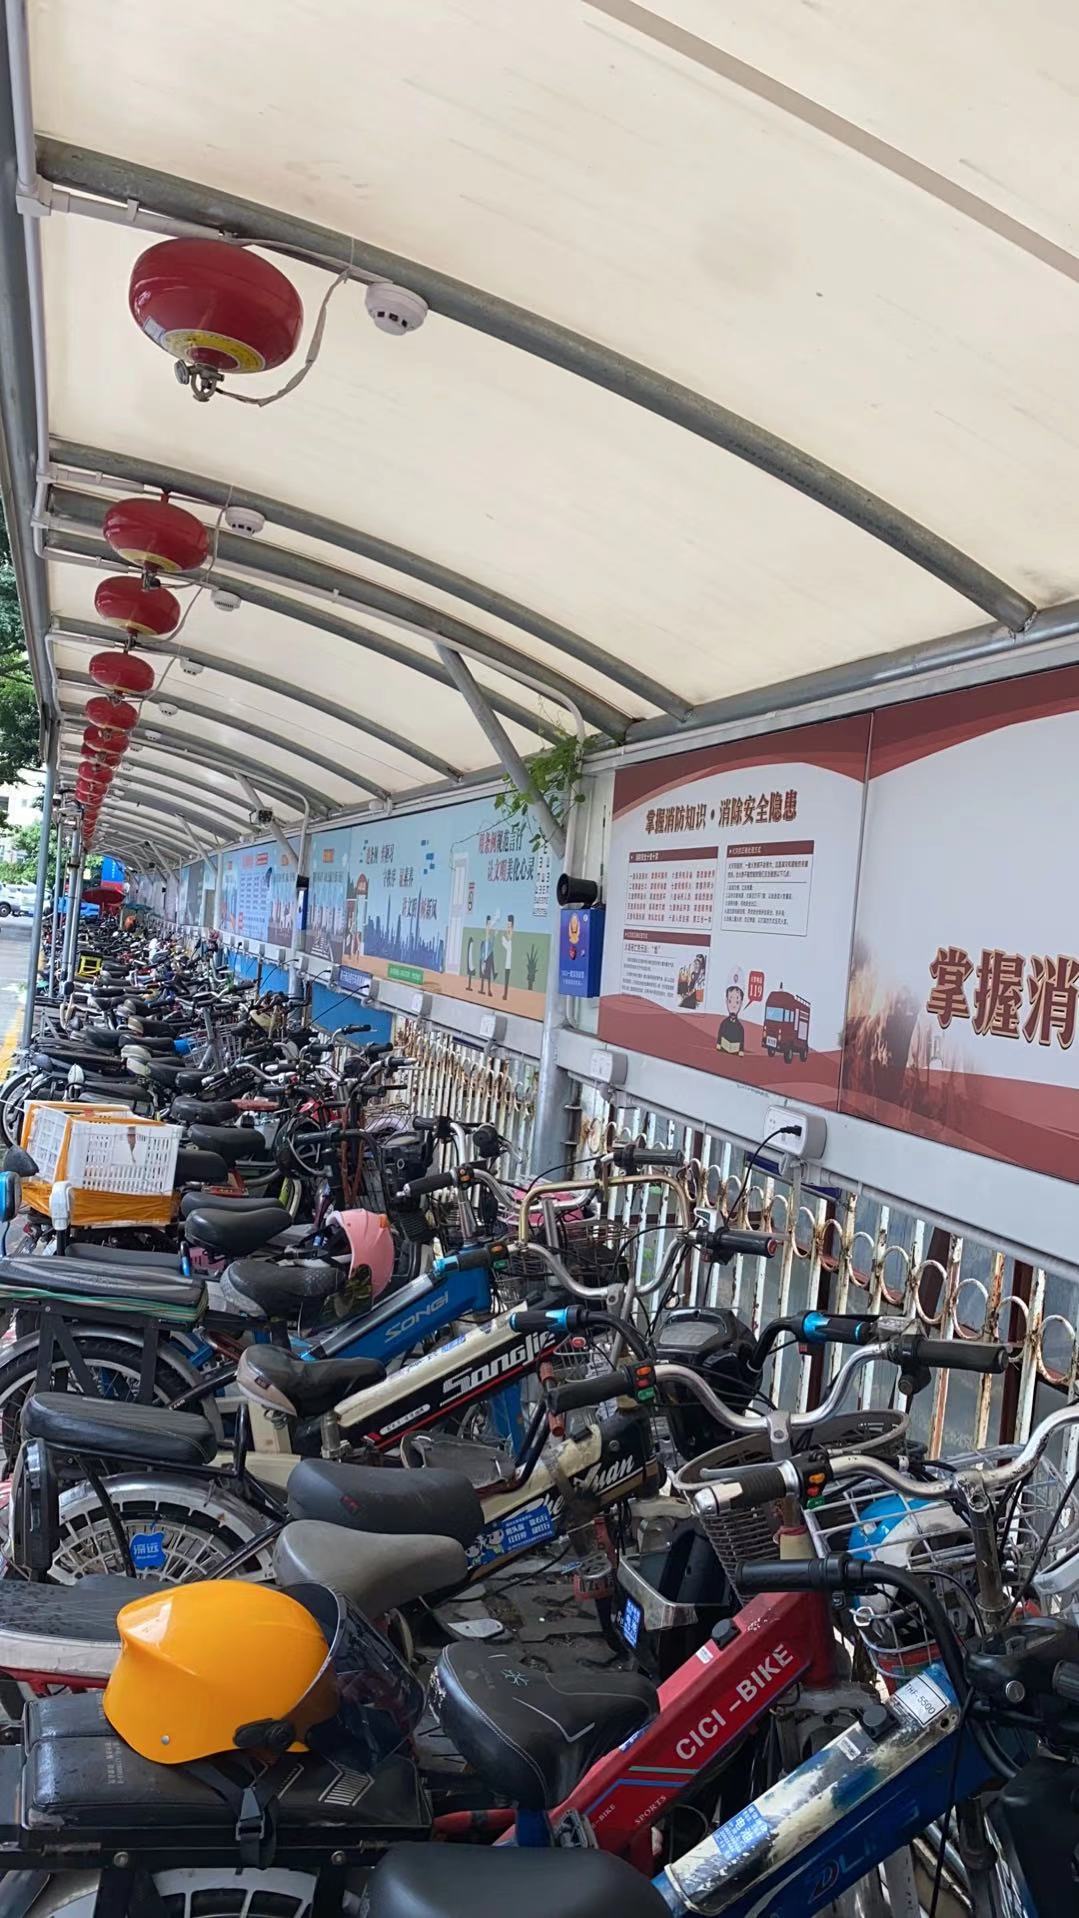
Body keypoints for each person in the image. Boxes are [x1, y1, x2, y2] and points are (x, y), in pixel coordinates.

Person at [717, 967, 746, 1055]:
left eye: (737, 1002)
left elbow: (741, 1044)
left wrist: (740, 1051)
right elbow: (719, 1039)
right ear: (726, 1001)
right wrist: (719, 1045)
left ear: (741, 1003)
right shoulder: (723, 1024)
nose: (733, 1006)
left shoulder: (740, 1028)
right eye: (730, 1001)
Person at [501, 915, 514, 1000]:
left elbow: (507, 946)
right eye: (507, 925)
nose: (508, 928)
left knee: (506, 980)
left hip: (508, 965)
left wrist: (503, 939)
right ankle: (505, 994)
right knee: (506, 980)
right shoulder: (509, 941)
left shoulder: (510, 941)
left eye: (509, 926)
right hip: (506, 964)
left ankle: (505, 994)